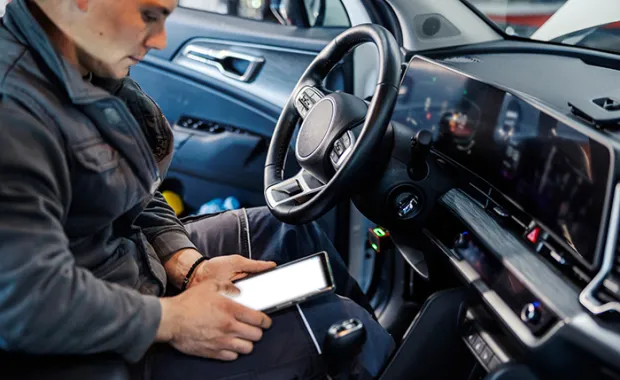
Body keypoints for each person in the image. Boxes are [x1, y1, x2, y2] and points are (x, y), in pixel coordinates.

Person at [0, 0, 395, 378]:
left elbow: (136, 192)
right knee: (342, 327)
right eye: (149, 15)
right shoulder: (14, 114)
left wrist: (188, 265)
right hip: (84, 351)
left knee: (288, 232)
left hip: (128, 269)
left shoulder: (87, 68)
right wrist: (174, 320)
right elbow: (24, 302)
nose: (160, 40)